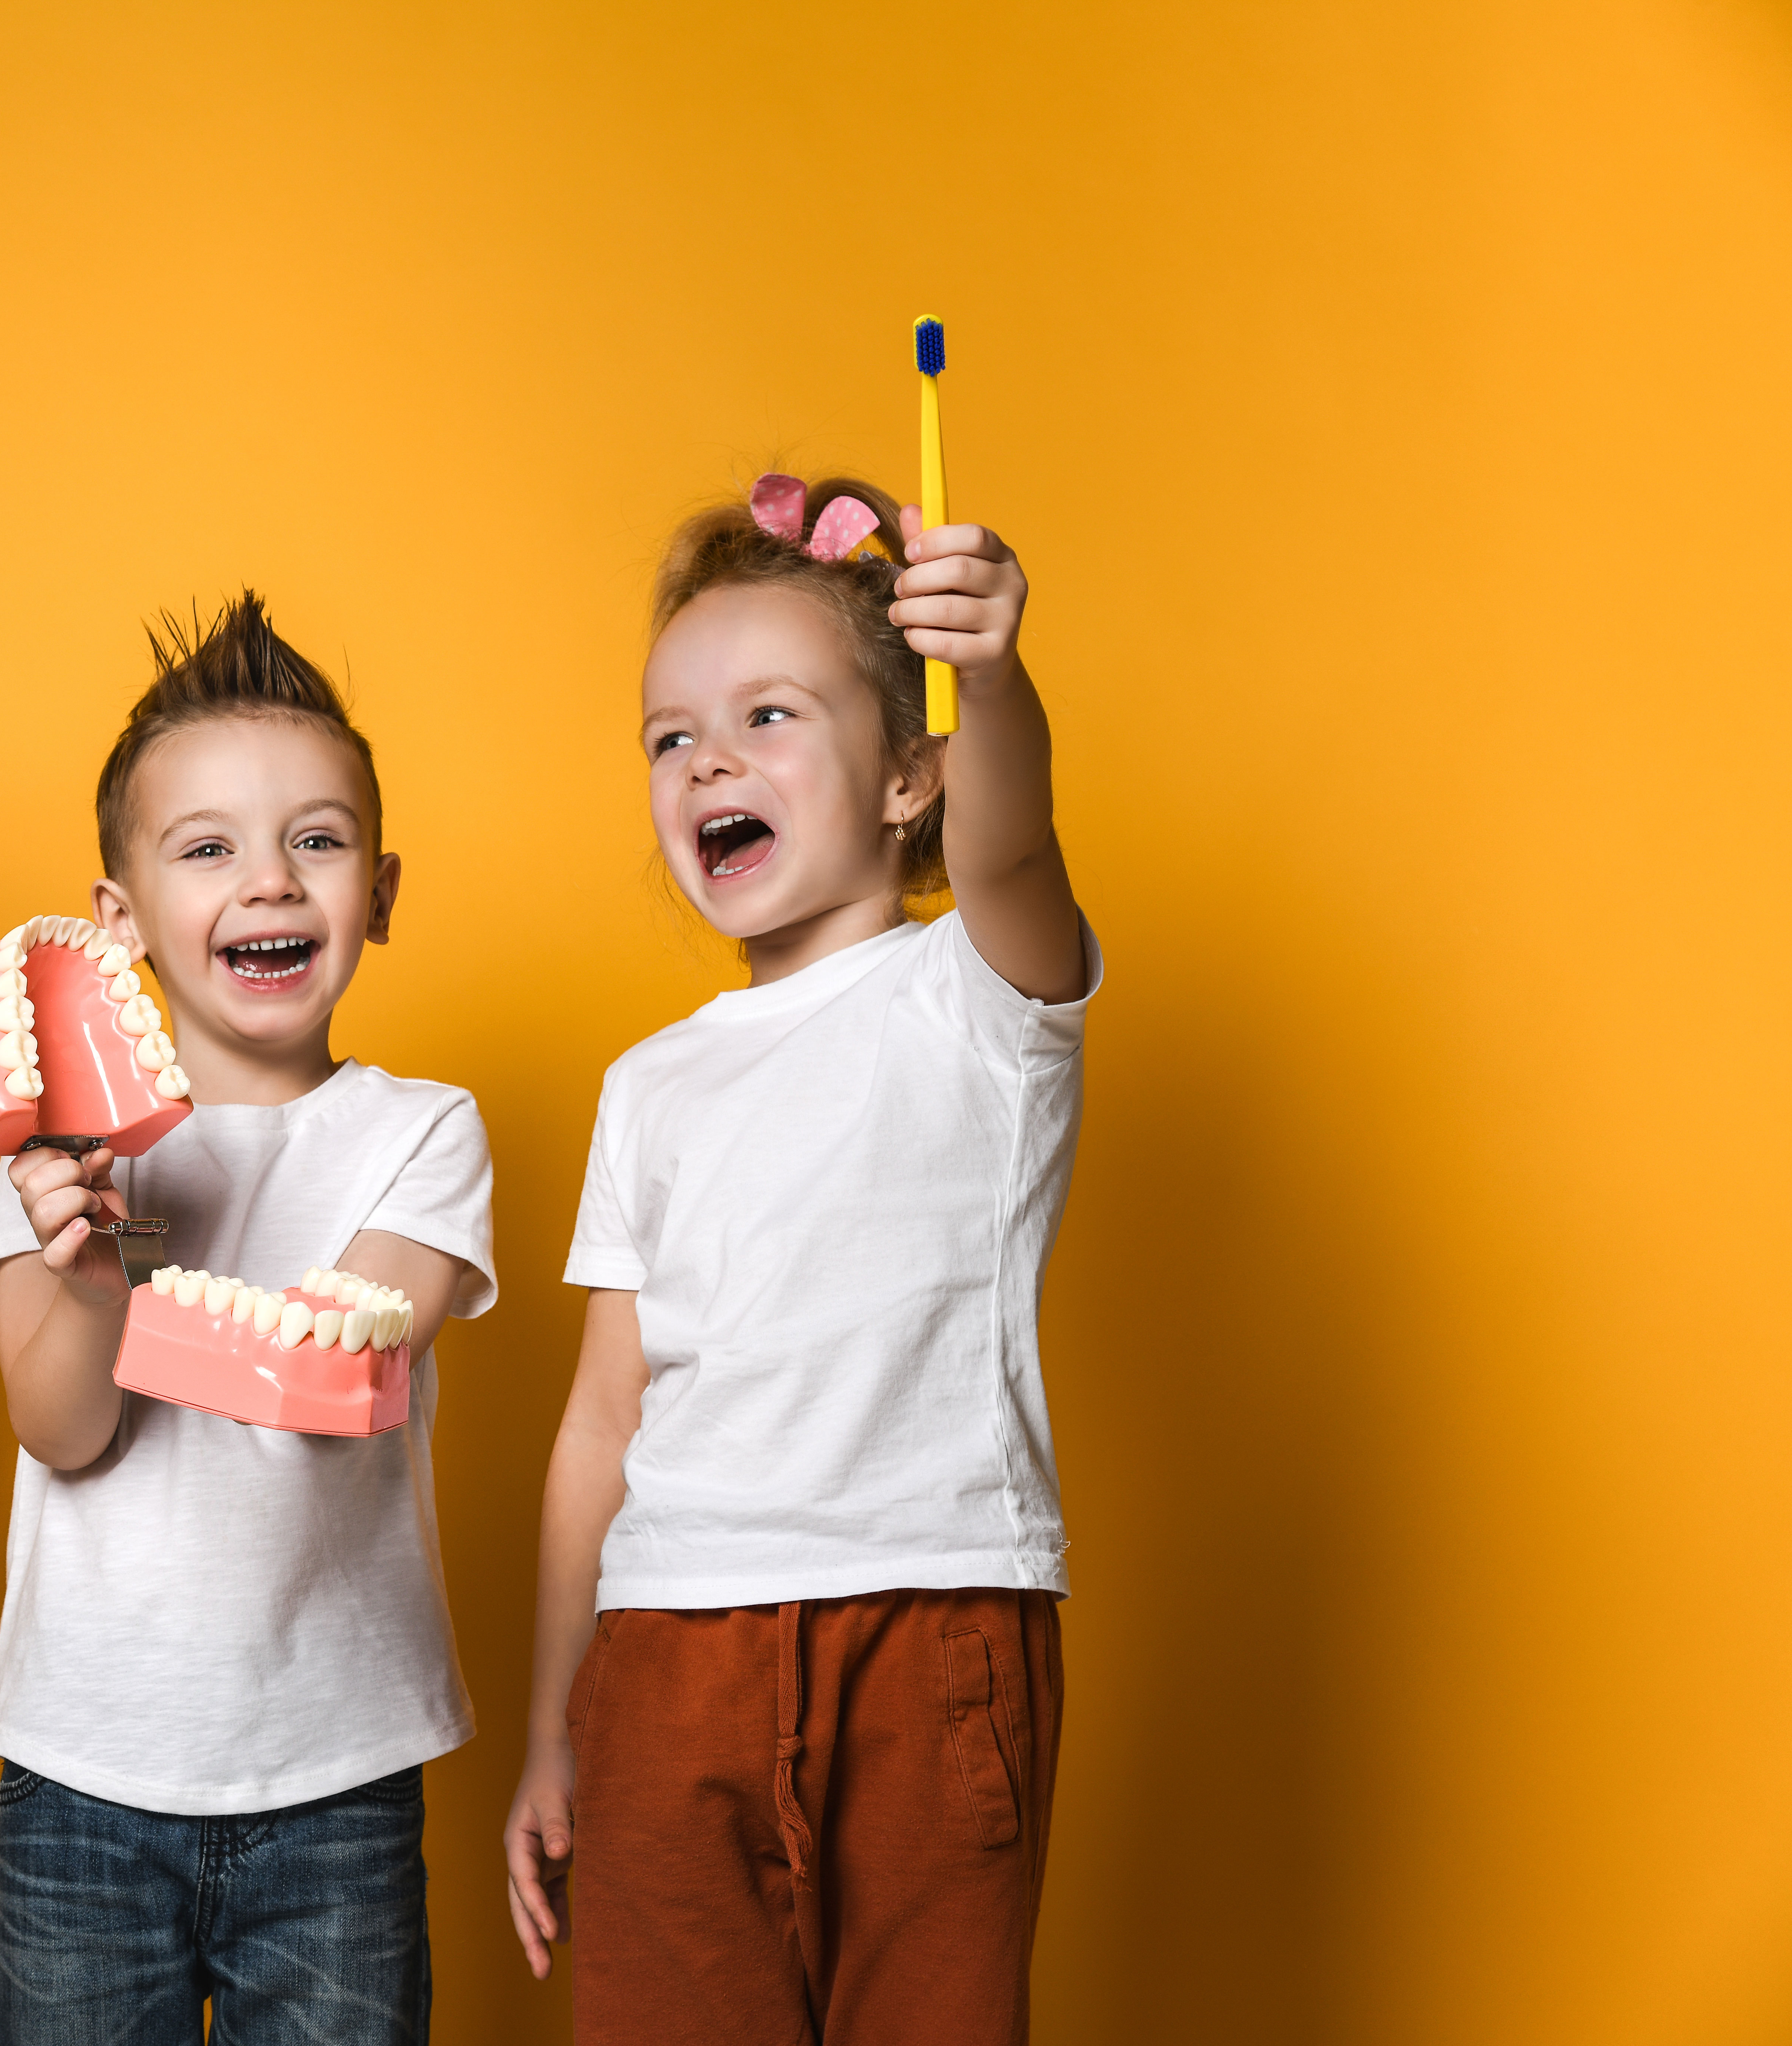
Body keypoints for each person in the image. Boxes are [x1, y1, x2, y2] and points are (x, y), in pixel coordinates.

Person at [502, 476, 1096, 2044]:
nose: (708, 759)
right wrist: (554, 1729)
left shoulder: (977, 994)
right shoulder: (649, 1085)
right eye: (671, 735)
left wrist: (997, 672)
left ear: (912, 779)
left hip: (935, 1622)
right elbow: (598, 1426)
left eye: (769, 714)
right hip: (664, 1653)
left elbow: (1018, 843)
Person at [0, 596, 493, 2045]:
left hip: (340, 1775)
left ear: (378, 891)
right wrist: (88, 1263)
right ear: (119, 918)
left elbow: (349, 1353)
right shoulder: (61, 1148)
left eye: (316, 841)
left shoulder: (422, 1130)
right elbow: (64, 1429)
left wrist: (146, 1279)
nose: (268, 879)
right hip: (85, 1770)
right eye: (209, 847)